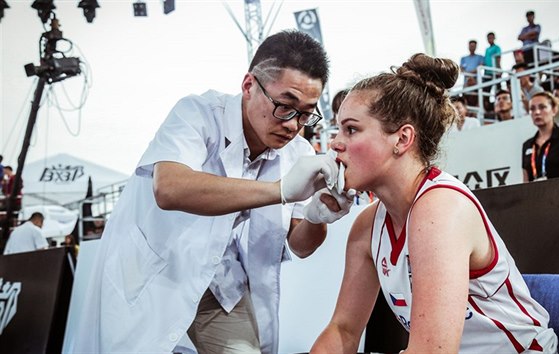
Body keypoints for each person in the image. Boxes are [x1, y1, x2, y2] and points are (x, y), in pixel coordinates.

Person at [74, 30, 353, 354]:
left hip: (224, 285)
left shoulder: (298, 151)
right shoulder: (197, 114)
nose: (293, 124)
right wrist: (279, 190)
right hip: (157, 274)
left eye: (306, 113)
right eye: (285, 106)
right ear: (249, 86)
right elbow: (170, 188)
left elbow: (301, 245)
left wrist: (318, 216)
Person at [310, 53, 558, 353]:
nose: (335, 143)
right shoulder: (367, 225)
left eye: (351, 129)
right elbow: (343, 330)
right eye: (338, 130)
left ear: (402, 139)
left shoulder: (440, 209)